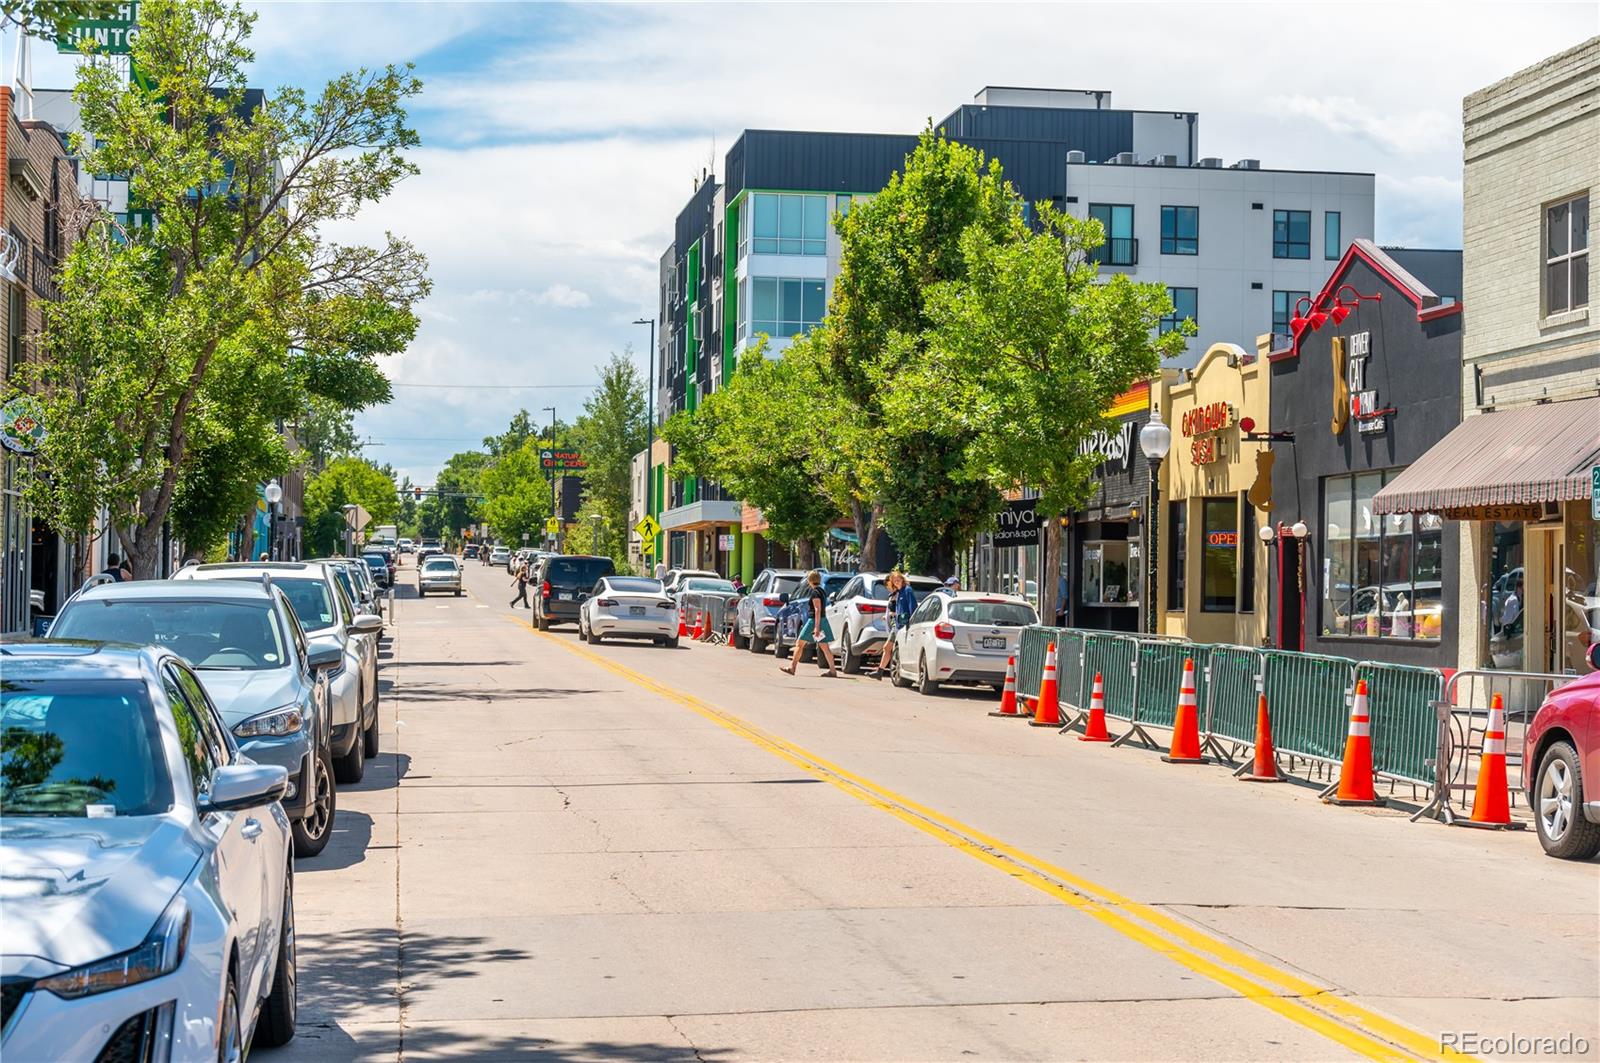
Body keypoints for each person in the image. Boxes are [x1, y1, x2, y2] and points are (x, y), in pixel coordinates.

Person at [781, 570, 836, 677]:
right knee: (824, 647)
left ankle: (792, 668)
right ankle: (833, 671)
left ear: (810, 581)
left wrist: (816, 627)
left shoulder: (815, 592)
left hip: (814, 622)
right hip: (822, 620)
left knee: (799, 644)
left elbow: (817, 609)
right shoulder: (822, 591)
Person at [872, 571, 916, 679]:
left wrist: (910, 623)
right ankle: (880, 671)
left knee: (889, 648)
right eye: (894, 581)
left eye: (898, 580)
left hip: (904, 625)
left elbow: (913, 608)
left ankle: (883, 672)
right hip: (898, 625)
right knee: (888, 648)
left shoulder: (907, 591)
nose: (896, 582)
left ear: (902, 579)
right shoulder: (899, 592)